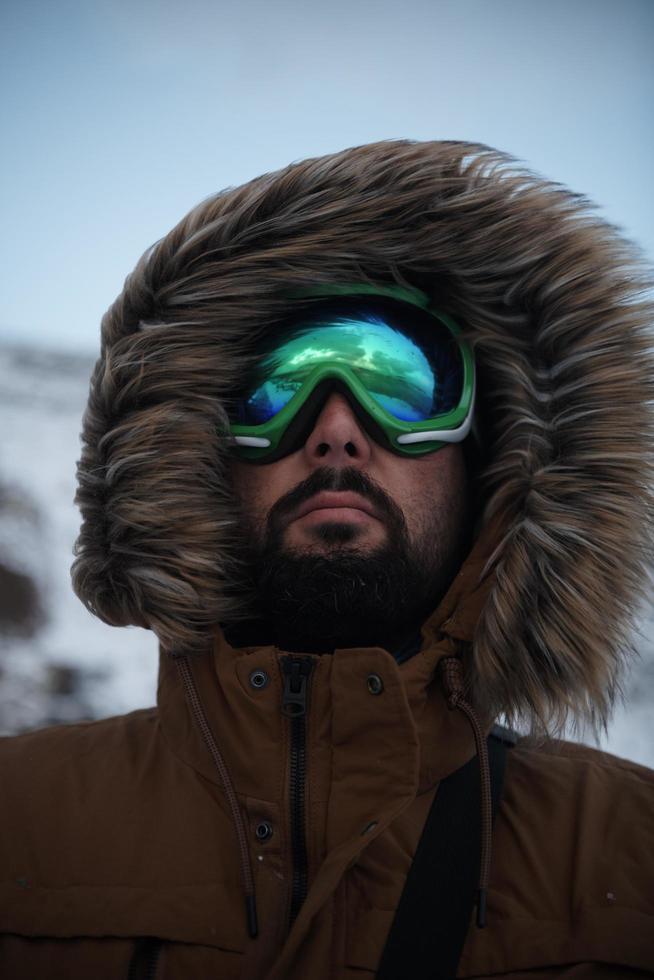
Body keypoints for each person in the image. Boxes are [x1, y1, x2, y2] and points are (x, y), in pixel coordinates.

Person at [1, 138, 653, 979]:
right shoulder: (20, 820)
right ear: (199, 458)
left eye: (404, 385)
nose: (336, 429)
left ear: (489, 461)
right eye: (274, 388)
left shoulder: (629, 856)